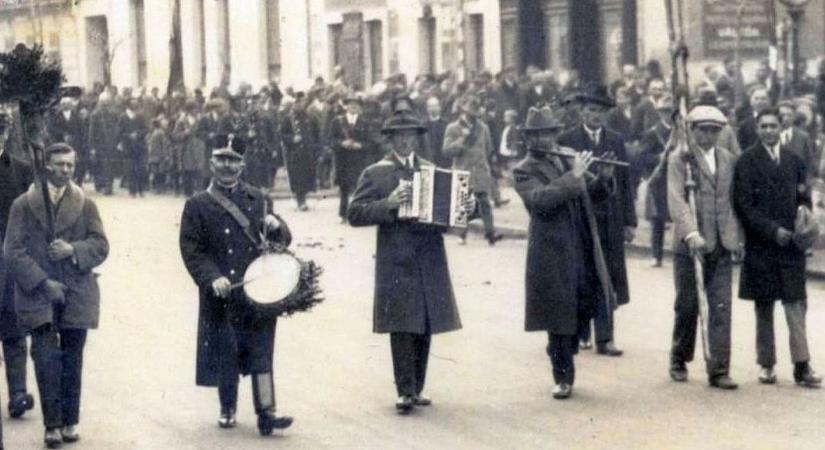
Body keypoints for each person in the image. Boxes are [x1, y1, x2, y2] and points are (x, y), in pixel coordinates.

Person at [347, 112, 469, 414]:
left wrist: (468, 206)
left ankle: (417, 388)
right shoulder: (376, 173)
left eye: (410, 135)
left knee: (425, 320)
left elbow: (451, 214)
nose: (405, 140)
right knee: (402, 323)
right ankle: (404, 390)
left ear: (417, 138)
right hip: (396, 256)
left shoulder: (430, 170)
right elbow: (355, 213)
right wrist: (388, 204)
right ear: (390, 140)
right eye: (398, 135)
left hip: (429, 253)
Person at [179, 135, 295, 434]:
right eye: (221, 159)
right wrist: (211, 277)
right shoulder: (197, 204)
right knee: (226, 350)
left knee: (262, 349)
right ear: (211, 163)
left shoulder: (259, 199)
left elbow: (281, 241)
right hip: (222, 290)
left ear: (242, 165)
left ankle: (267, 411)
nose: (227, 166)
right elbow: (192, 249)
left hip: (257, 288)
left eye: (233, 160)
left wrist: (276, 227)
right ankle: (227, 407)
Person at [3, 143, 109, 448]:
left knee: (73, 359)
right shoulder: (24, 204)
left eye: (70, 165)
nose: (65, 170)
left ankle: (69, 421)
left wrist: (73, 250)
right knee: (46, 358)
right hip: (39, 293)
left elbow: (101, 245)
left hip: (77, 292)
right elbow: (12, 251)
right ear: (47, 166)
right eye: (59, 164)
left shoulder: (86, 204)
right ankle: (51, 425)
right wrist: (41, 282)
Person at [512, 106, 599, 399]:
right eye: (539, 135)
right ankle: (562, 374)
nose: (546, 140)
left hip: (579, 243)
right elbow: (540, 201)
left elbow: (588, 190)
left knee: (578, 307)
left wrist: (603, 178)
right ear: (529, 139)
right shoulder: (523, 169)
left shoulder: (566, 155)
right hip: (551, 249)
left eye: (549, 133)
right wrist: (574, 176)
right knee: (558, 314)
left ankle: (563, 352)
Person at [732, 108, 821, 388]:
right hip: (762, 245)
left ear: (780, 127)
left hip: (791, 246)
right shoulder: (746, 161)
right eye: (763, 126)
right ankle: (767, 364)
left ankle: (802, 365)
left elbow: (804, 197)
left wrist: (804, 219)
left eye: (773, 126)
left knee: (796, 304)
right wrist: (772, 230)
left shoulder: (794, 160)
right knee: (764, 305)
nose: (768, 131)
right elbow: (744, 205)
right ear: (756, 129)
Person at [667, 106, 742, 390]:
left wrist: (737, 238)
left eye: (713, 129)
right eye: (702, 129)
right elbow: (676, 199)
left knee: (721, 307)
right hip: (691, 246)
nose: (708, 134)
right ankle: (679, 357)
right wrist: (690, 233)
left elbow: (733, 202)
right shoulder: (680, 160)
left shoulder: (728, 160)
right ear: (692, 130)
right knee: (687, 306)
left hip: (722, 244)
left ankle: (719, 368)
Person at [558, 85, 636, 355]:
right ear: (582, 111)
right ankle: (582, 331)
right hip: (580, 217)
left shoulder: (615, 141)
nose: (596, 116)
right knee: (582, 274)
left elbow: (626, 183)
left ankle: (606, 338)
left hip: (610, 219)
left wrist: (629, 221)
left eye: (601, 111)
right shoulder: (567, 139)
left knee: (608, 275)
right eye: (591, 110)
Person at [0, 111, 36, 421]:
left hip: (9, 265)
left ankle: (18, 394)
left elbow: (34, 221)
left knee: (12, 328)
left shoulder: (23, 171)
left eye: (1, 131)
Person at [443, 97, 503, 245]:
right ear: (464, 112)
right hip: (463, 170)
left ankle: (490, 234)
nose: (474, 117)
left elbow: (488, 149)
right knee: (462, 203)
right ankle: (461, 235)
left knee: (485, 203)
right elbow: (447, 151)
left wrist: (489, 166)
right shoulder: (453, 128)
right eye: (471, 114)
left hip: (480, 170)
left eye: (476, 114)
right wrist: (462, 139)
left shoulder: (483, 128)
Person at [638, 96, 674, 267]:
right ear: (660, 113)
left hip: (676, 178)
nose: (669, 115)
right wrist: (658, 157)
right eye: (665, 111)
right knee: (657, 220)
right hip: (659, 180)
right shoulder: (652, 133)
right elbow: (643, 157)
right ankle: (656, 255)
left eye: (671, 111)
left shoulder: (680, 132)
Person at [330, 95, 376, 223]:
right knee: (344, 189)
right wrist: (341, 143)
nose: (353, 106)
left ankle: (358, 215)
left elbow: (371, 142)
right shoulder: (337, 121)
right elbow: (330, 140)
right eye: (350, 104)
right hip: (343, 160)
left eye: (356, 104)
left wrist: (360, 145)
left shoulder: (365, 122)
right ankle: (343, 214)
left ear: (360, 107)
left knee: (359, 188)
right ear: (346, 106)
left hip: (358, 160)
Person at [281, 98, 321, 210]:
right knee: (297, 177)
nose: (299, 105)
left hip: (308, 153)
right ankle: (301, 201)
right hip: (295, 153)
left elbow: (317, 135)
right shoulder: (288, 119)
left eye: (301, 103)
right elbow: (282, 135)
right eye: (296, 103)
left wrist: (317, 150)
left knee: (307, 177)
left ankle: (303, 198)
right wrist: (292, 139)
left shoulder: (311, 118)